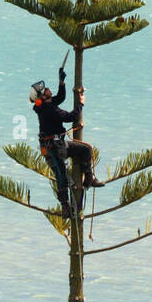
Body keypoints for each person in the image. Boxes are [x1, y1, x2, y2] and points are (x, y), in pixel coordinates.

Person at [30, 67, 102, 218]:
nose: (48, 89)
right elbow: (71, 117)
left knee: (61, 175)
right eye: (45, 90)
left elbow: (60, 98)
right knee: (84, 152)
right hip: (55, 147)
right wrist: (81, 103)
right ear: (42, 97)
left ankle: (66, 207)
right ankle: (88, 180)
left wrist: (61, 83)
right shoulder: (49, 109)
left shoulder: (44, 106)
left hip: (50, 146)